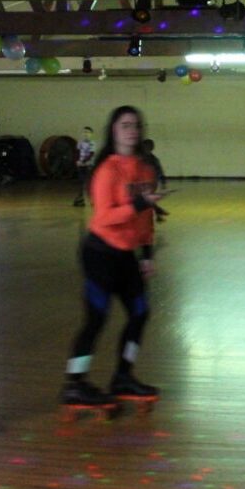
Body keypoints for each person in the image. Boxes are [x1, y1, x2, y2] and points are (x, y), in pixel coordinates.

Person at [62, 106, 163, 409]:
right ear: (114, 130)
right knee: (96, 319)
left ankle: (123, 376)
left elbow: (146, 218)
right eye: (125, 125)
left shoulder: (146, 169)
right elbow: (104, 218)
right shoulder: (107, 170)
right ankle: (74, 384)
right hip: (99, 254)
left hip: (126, 256)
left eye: (136, 126)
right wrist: (138, 203)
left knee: (140, 314)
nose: (132, 131)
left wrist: (146, 254)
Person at [139, 138, 170, 221]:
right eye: (146, 147)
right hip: (142, 182)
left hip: (151, 182)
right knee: (145, 198)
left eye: (149, 147)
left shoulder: (153, 159)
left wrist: (163, 182)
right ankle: (157, 211)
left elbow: (160, 171)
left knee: (145, 198)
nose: (148, 149)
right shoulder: (139, 158)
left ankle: (157, 211)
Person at [71, 126, 95, 207]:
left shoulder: (92, 143)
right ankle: (80, 199)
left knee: (89, 183)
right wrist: (77, 161)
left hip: (88, 165)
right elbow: (77, 152)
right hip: (80, 165)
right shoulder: (80, 143)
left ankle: (93, 200)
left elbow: (91, 154)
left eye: (88, 132)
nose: (86, 134)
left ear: (91, 134)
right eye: (84, 132)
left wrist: (82, 161)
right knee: (81, 182)